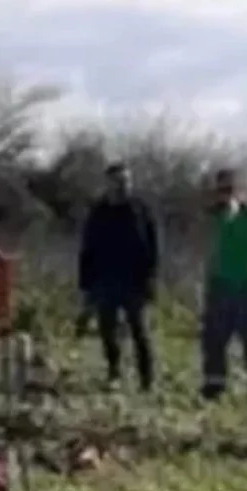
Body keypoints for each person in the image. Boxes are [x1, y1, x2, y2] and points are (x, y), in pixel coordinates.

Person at [77, 163, 160, 392]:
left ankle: (147, 380)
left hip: (135, 282)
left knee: (140, 331)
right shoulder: (98, 212)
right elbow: (87, 249)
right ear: (108, 183)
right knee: (108, 330)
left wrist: (151, 279)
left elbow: (153, 248)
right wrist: (86, 285)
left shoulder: (141, 210)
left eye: (126, 181)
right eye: (117, 181)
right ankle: (114, 371)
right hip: (104, 281)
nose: (122, 185)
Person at [200, 169, 247, 407]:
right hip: (220, 290)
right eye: (221, 190)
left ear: (242, 189)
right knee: (214, 344)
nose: (225, 195)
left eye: (229, 190)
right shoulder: (215, 217)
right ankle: (214, 390)